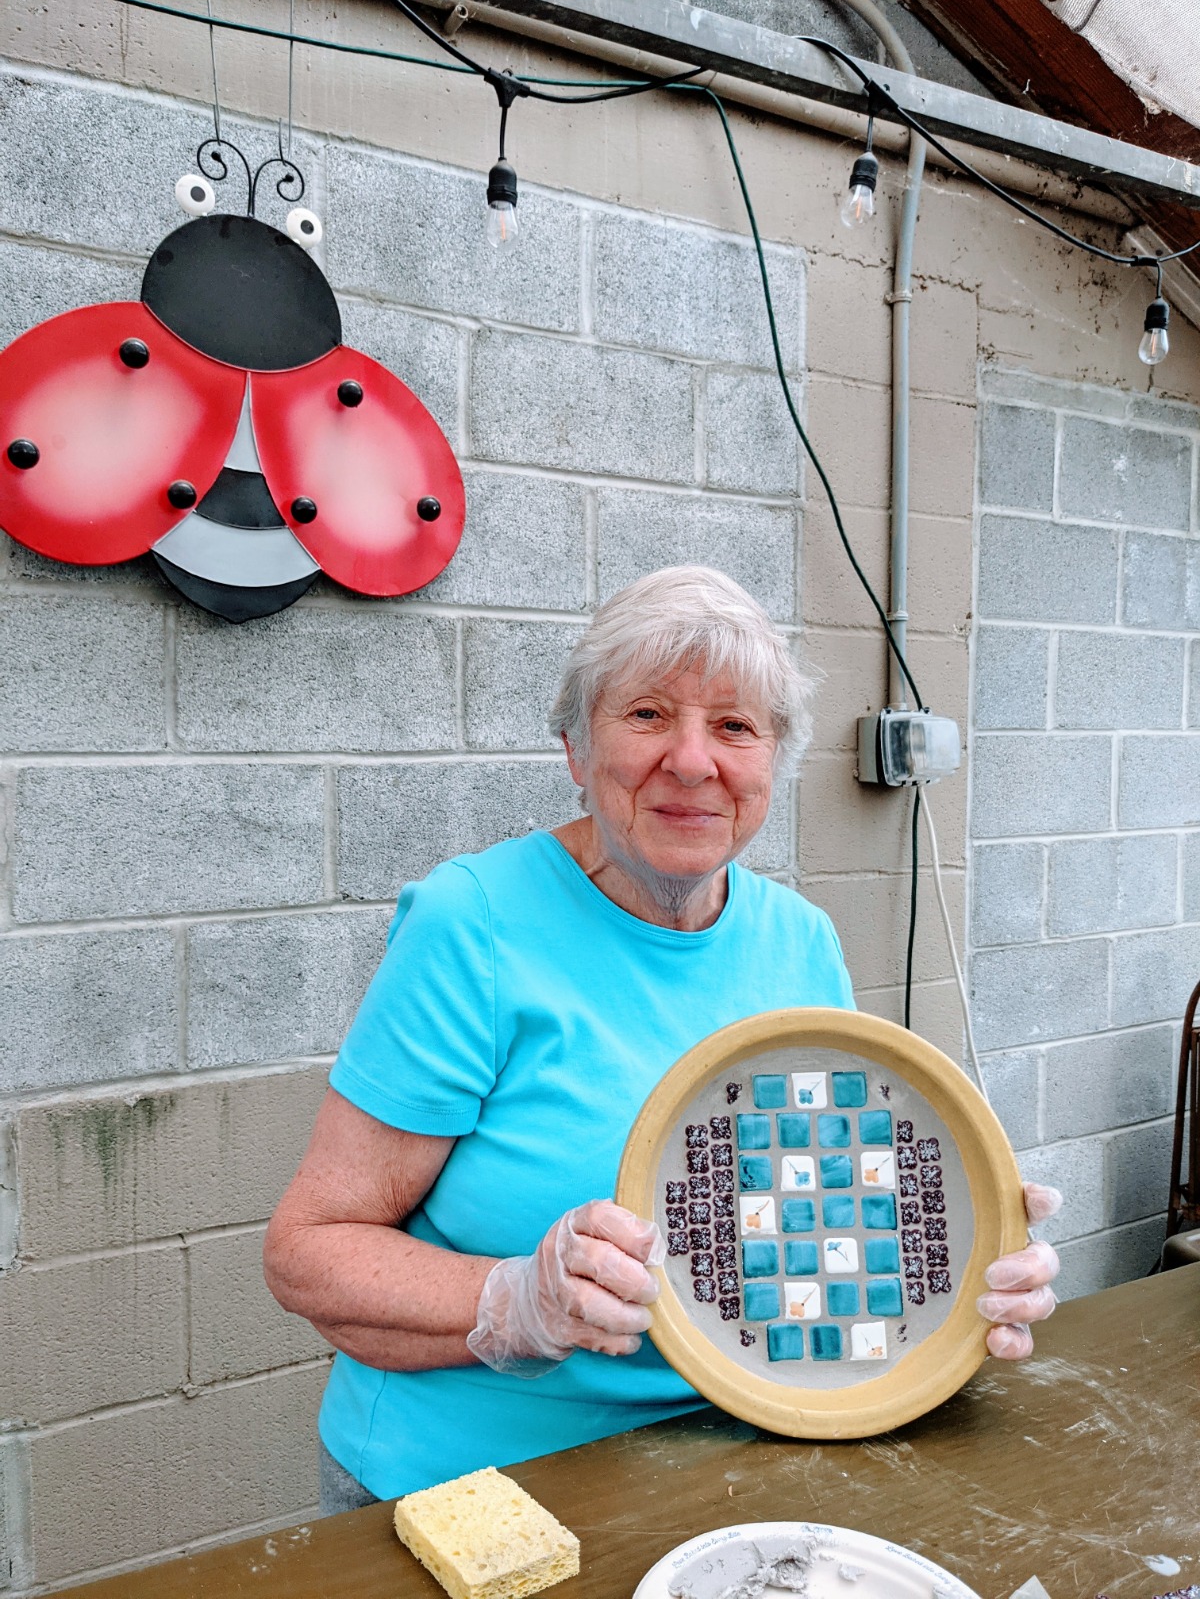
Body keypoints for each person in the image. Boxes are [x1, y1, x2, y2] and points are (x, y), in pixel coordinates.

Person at [263, 566, 1060, 1514]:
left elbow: (828, 1218)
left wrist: (964, 1273)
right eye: (646, 715)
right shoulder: (471, 924)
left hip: (738, 1464)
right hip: (473, 1491)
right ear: (575, 748)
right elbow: (309, 1250)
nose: (692, 762)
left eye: (735, 726)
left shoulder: (801, 942)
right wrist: (519, 1302)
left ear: (773, 761)